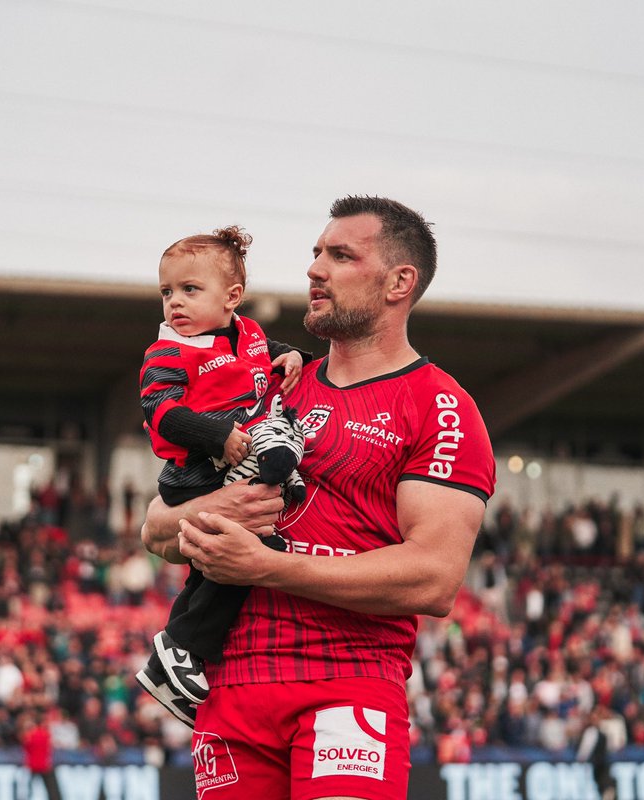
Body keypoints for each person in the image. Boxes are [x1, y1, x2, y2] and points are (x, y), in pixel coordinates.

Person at [142, 196, 495, 799]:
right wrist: (216, 512)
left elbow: (433, 578)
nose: (315, 269)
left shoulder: (440, 405)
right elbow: (156, 529)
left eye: (340, 255)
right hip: (232, 692)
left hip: (348, 684)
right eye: (315, 253)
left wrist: (269, 567)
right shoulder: (270, 384)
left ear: (399, 282)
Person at [135, 225, 308, 728]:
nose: (175, 303)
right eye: (167, 292)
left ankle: (175, 656)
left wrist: (295, 355)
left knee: (245, 553)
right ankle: (182, 645)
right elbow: (160, 413)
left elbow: (267, 351)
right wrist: (217, 435)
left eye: (190, 290)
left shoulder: (247, 335)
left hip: (234, 461)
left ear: (233, 298)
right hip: (193, 471)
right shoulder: (167, 351)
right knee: (246, 553)